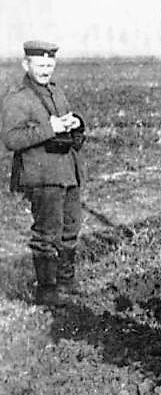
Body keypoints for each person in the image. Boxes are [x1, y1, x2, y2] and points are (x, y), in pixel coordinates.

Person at [1, 40, 86, 307]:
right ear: (26, 64)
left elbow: (67, 128)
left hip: (67, 173)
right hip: (42, 175)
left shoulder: (56, 92)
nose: (46, 70)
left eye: (50, 64)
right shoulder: (18, 98)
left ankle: (66, 281)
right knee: (47, 233)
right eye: (40, 65)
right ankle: (47, 290)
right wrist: (51, 128)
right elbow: (11, 139)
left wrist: (75, 124)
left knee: (70, 228)